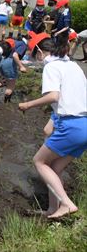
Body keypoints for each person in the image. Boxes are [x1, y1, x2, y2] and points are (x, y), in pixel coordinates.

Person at [19, 35, 86, 219]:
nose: (36, 60)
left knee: (39, 161)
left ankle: (66, 204)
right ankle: (53, 209)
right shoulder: (73, 65)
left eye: (35, 55)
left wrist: (28, 104)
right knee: (54, 167)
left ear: (40, 52)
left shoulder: (51, 66)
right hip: (84, 125)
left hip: (70, 126)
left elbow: (53, 97)